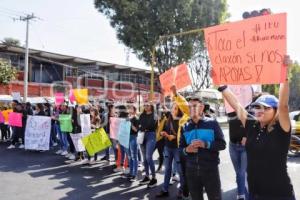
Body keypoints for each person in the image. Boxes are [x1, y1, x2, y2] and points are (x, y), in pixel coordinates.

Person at [220, 57, 296, 200]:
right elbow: (237, 105)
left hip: (280, 195)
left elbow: (283, 106)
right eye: (256, 107)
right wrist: (222, 85)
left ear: (275, 111)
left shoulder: (281, 129)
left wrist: (284, 75)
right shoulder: (252, 125)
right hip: (254, 193)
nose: (260, 110)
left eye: (266, 108)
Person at [179, 94, 226, 200]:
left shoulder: (212, 123)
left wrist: (206, 144)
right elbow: (180, 150)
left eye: (194, 106)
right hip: (191, 171)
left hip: (210, 169)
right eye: (189, 107)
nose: (191, 109)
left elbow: (222, 144)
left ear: (202, 107)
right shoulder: (185, 127)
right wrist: (186, 150)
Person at [227, 111, 248, 200]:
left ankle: (241, 195)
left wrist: (247, 136)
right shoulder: (230, 111)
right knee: (238, 171)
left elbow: (257, 125)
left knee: (241, 172)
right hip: (232, 146)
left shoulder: (249, 108)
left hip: (245, 147)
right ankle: (242, 184)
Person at [138, 102, 158, 188]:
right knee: (144, 158)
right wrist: (142, 127)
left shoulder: (155, 115)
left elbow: (152, 125)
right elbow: (140, 125)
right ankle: (147, 176)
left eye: (147, 105)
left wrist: (143, 127)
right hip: (142, 135)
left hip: (151, 135)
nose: (146, 106)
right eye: (144, 105)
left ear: (151, 106)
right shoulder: (142, 115)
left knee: (148, 157)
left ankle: (154, 178)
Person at [127, 104, 139, 181]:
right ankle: (131, 173)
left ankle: (135, 174)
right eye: (129, 109)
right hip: (128, 138)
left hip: (134, 138)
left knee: (134, 157)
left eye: (131, 109)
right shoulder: (129, 118)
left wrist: (130, 124)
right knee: (130, 156)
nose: (129, 110)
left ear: (134, 110)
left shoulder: (136, 119)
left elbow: (136, 130)